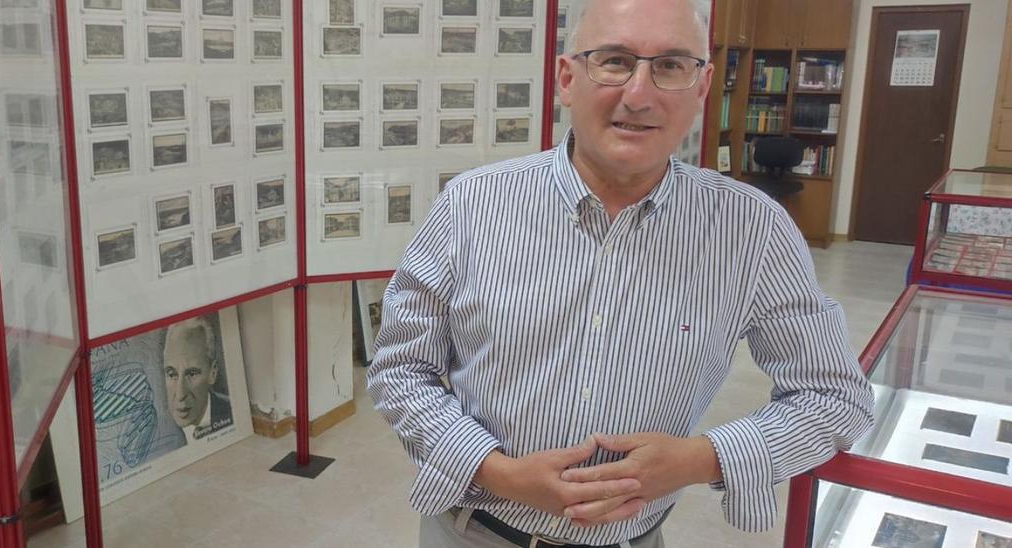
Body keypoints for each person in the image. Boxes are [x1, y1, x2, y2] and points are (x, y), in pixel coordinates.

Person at [366, 0, 874, 546]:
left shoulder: (751, 230)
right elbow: (400, 370)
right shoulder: (472, 205)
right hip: (472, 531)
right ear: (567, 78)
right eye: (613, 61)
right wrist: (496, 471)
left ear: (702, 89)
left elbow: (834, 396)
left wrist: (703, 458)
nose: (639, 94)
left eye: (672, 66)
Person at [163, 316, 232, 440]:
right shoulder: (159, 433)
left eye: (192, 374)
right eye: (172, 374)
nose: (180, 394)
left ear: (213, 373)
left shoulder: (233, 412)